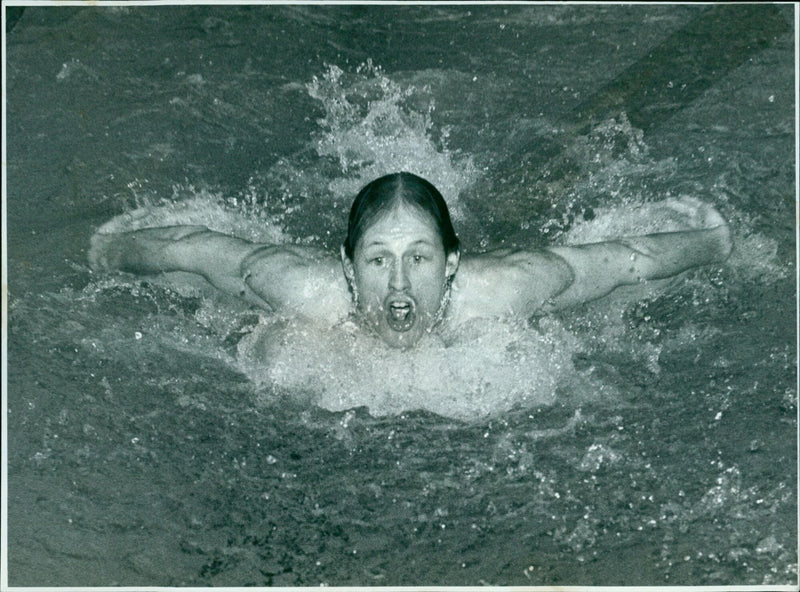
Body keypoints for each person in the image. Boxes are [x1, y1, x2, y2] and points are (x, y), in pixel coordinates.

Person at [89, 172, 732, 349]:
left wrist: (715, 242)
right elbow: (198, 248)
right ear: (347, 268)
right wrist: (111, 247)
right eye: (377, 260)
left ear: (452, 264)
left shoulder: (505, 289)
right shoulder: (300, 288)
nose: (399, 285)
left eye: (420, 259)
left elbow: (625, 259)